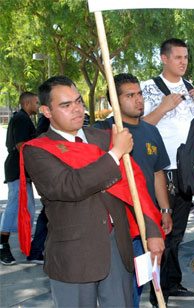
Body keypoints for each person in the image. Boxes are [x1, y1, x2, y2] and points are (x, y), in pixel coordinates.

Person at [21, 76, 164, 307]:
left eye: (78, 101)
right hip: (74, 254)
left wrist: (153, 230)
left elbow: (135, 185)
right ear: (46, 111)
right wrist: (115, 154)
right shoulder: (37, 150)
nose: (77, 109)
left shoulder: (104, 137)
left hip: (119, 247)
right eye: (66, 105)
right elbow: (70, 186)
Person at [94, 73, 172, 307]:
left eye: (139, 94)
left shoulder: (150, 131)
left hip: (148, 224)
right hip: (121, 228)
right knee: (124, 292)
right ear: (114, 102)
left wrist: (165, 210)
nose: (139, 100)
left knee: (142, 283)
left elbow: (157, 173)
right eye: (130, 95)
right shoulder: (102, 133)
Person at [141, 38, 194, 304]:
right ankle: (156, 292)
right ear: (164, 58)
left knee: (176, 233)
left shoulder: (192, 89)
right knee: (158, 234)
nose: (183, 62)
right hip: (160, 171)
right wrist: (163, 108)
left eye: (186, 57)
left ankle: (171, 284)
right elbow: (138, 127)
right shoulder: (146, 89)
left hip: (187, 171)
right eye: (178, 57)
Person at [0, 92, 39, 265]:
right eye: (36, 103)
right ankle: (3, 245)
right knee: (14, 206)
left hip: (22, 170)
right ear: (28, 103)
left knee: (29, 209)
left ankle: (29, 244)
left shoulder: (23, 118)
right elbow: (21, 145)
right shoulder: (22, 119)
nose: (38, 106)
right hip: (17, 169)